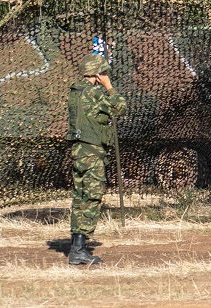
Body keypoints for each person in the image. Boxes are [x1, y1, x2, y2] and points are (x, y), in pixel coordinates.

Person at [66, 52, 127, 266]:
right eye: (103, 72)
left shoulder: (75, 92)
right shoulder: (93, 93)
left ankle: (77, 245)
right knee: (92, 197)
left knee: (80, 197)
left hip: (79, 152)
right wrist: (109, 86)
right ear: (98, 73)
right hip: (91, 153)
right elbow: (120, 107)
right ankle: (79, 249)